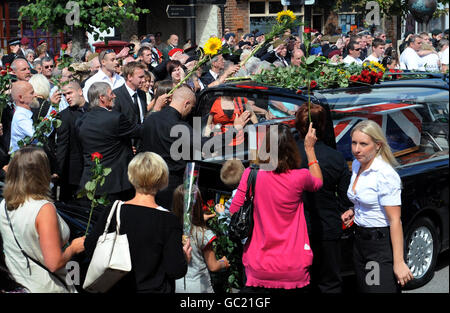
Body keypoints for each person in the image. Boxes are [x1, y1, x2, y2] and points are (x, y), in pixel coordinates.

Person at [229, 123, 323, 292]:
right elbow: (317, 182)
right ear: (292, 149)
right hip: (293, 266)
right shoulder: (300, 177)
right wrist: (310, 149)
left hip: (258, 265)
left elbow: (234, 210)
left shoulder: (251, 174)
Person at [84, 152, 191, 292]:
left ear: (132, 176)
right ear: (163, 179)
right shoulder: (168, 220)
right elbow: (175, 270)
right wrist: (185, 257)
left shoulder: (114, 210)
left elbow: (90, 246)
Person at [341, 120, 414, 293]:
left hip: (378, 246)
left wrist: (399, 262)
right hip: (359, 242)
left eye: (363, 144)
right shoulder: (358, 164)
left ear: (378, 145)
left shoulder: (385, 175)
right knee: (366, 289)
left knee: (376, 290)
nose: (356, 149)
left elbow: (395, 220)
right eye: (354, 142)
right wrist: (354, 210)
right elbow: (366, 199)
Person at [0, 146, 85, 292]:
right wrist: (74, 248)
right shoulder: (43, 209)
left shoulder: (5, 205)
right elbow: (54, 263)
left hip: (20, 285)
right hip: (47, 286)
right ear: (42, 173)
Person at [295, 103, 353, 293]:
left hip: (295, 228)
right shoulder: (336, 158)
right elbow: (345, 200)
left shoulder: (288, 155)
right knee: (330, 283)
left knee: (301, 282)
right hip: (327, 226)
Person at [76, 82, 142, 202]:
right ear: (102, 98)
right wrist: (156, 110)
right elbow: (139, 131)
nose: (114, 96)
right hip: (115, 185)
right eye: (111, 93)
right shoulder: (115, 118)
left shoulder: (81, 120)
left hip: (90, 182)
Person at [173, 185, 230, 293]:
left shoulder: (172, 228)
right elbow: (213, 266)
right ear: (198, 205)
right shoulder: (204, 234)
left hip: (178, 284)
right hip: (199, 286)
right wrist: (224, 262)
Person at [55, 81, 88, 202]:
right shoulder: (64, 116)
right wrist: (58, 171)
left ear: (80, 91)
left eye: (69, 93)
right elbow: (62, 146)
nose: (67, 97)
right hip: (73, 174)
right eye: (64, 95)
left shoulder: (93, 110)